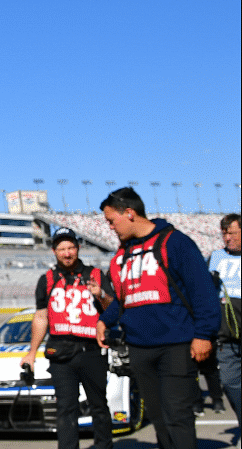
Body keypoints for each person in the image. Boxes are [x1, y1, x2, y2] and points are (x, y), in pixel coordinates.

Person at [96, 187, 220, 449]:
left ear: (129, 213)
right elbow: (123, 299)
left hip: (176, 346)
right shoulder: (121, 257)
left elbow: (203, 291)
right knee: (159, 419)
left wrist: (203, 334)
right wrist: (104, 320)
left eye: (111, 220)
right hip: (140, 349)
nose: (110, 227)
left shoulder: (174, 242)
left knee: (178, 416)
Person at [20, 227, 113, 449]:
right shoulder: (47, 279)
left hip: (92, 350)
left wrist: (100, 295)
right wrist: (31, 353)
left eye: (71, 247)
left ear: (78, 248)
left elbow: (112, 309)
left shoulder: (96, 275)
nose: (67, 253)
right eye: (62, 249)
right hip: (61, 353)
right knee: (65, 408)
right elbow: (41, 317)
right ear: (54, 251)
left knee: (98, 405)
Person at [208, 213, 241, 425]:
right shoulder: (215, 257)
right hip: (226, 336)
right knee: (230, 383)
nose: (227, 238)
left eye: (232, 233)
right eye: (224, 234)